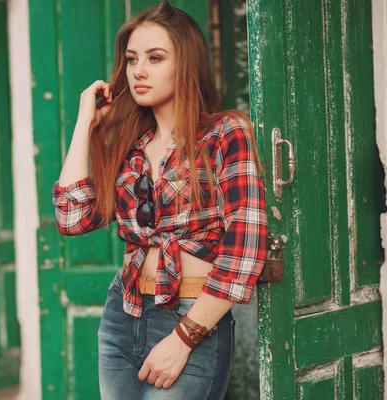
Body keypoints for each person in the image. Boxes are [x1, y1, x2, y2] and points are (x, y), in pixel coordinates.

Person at [51, 2, 268, 399]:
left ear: (185, 63)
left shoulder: (224, 134)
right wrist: (86, 123)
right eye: (132, 59)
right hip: (124, 312)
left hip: (192, 316)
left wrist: (183, 339)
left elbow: (244, 251)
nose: (138, 70)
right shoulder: (129, 145)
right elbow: (71, 217)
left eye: (155, 57)